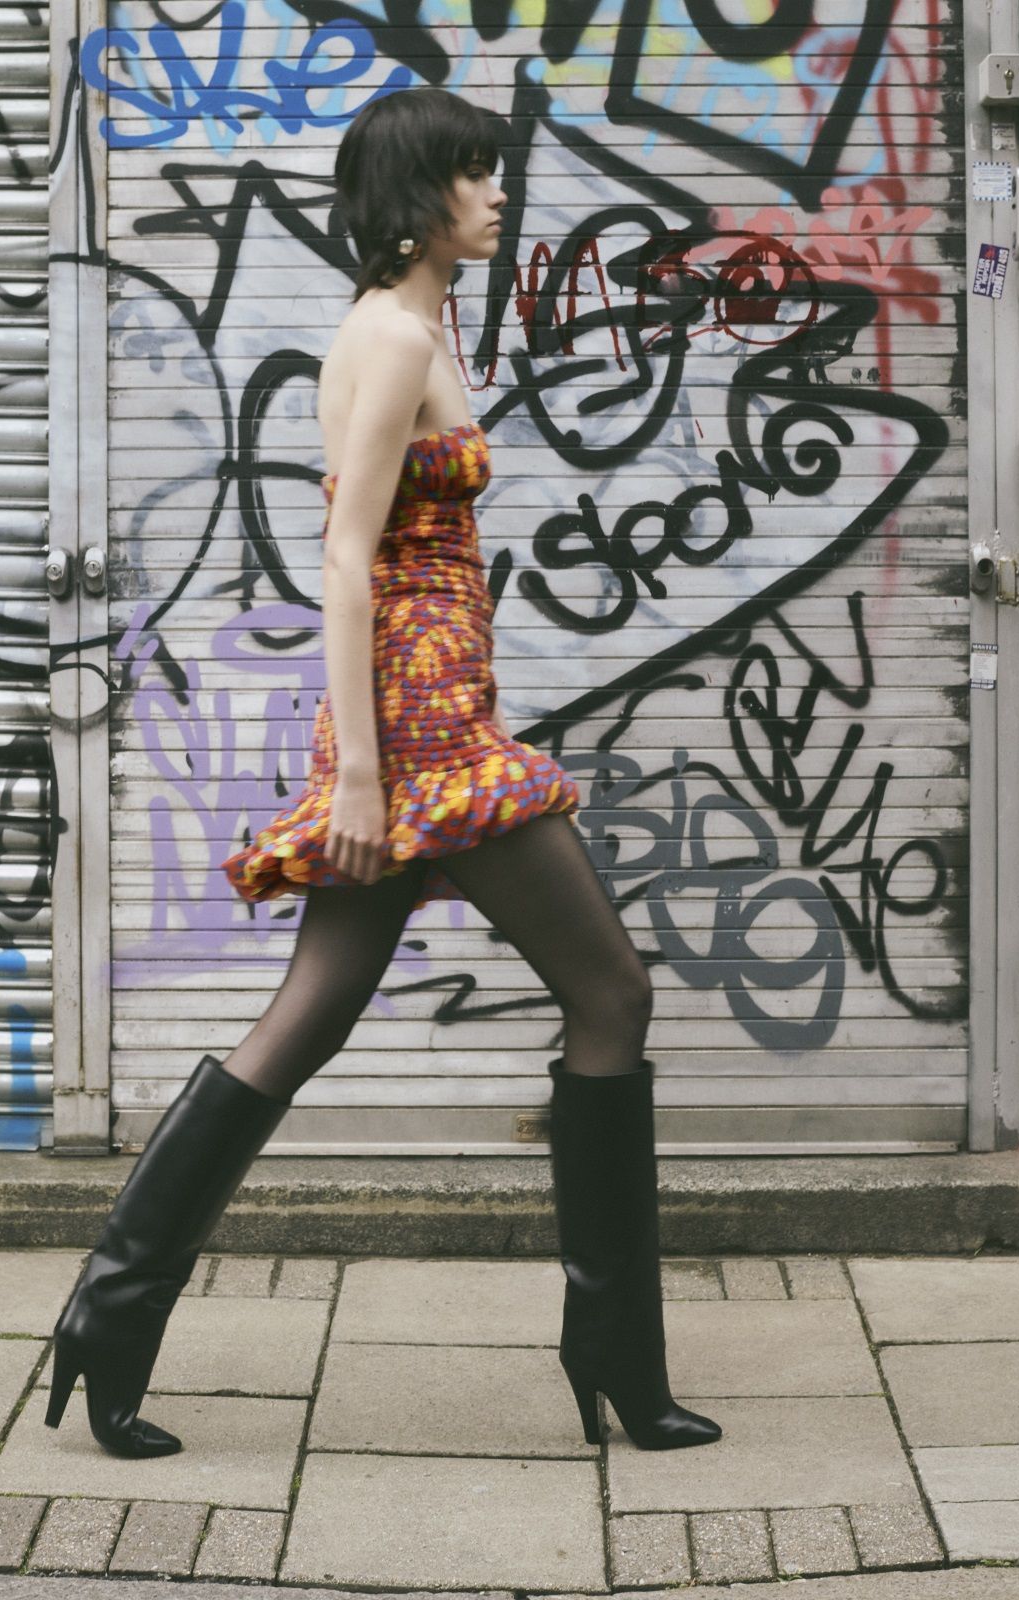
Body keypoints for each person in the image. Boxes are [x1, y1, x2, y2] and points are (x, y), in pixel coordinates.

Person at [44, 85, 722, 1462]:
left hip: (424, 707)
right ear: (418, 196)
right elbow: (346, 560)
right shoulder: (397, 333)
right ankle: (615, 1352)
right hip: (419, 732)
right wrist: (361, 775)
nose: (498, 193)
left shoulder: (413, 322)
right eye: (474, 173)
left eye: (496, 171)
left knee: (312, 1012)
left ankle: (107, 1319)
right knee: (613, 992)